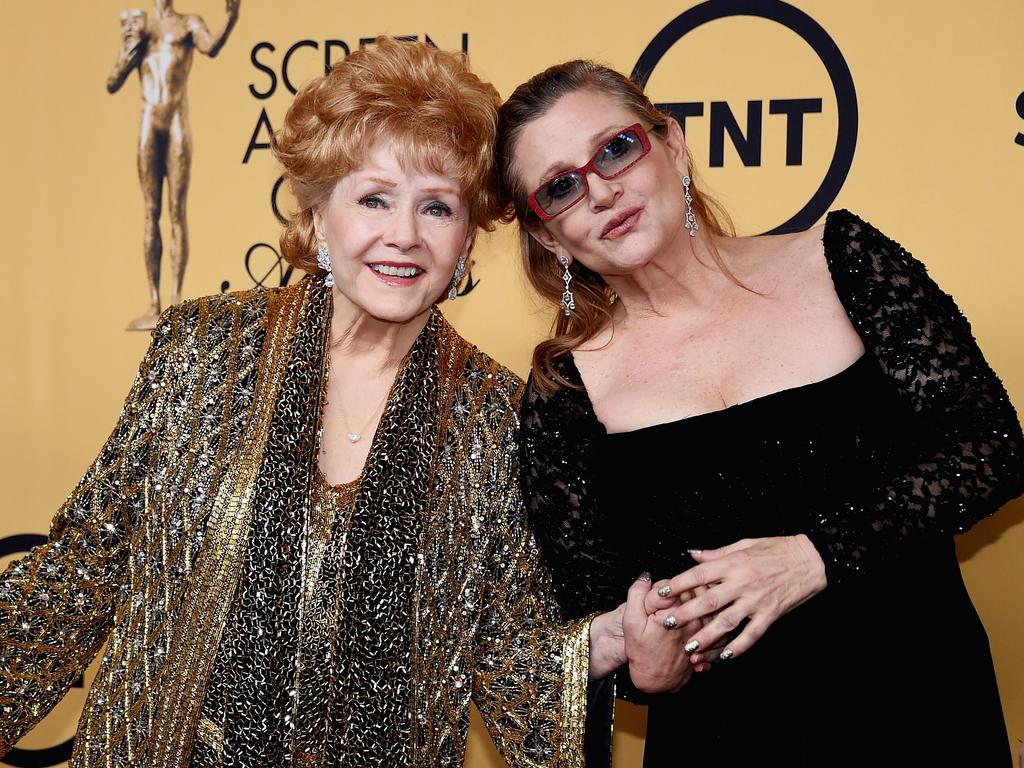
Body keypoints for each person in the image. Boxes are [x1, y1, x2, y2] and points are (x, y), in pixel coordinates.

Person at [0, 39, 647, 767]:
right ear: (317, 218)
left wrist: (606, 644)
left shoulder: (493, 418)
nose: (403, 235)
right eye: (373, 198)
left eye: (437, 207)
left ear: (467, 241)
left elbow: (507, 654)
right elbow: (81, 572)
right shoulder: (204, 350)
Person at [497, 59, 1023, 766]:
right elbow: (599, 618)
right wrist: (645, 668)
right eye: (560, 187)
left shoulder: (842, 261)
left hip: (923, 713)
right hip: (725, 742)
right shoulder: (564, 395)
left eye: (616, 148)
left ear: (675, 147)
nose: (600, 190)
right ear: (550, 237)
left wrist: (815, 556)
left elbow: (991, 447)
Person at [106, 0, 241, 331]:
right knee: (151, 212)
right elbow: (113, 81)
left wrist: (231, 17)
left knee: (177, 212)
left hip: (177, 121)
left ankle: (176, 299)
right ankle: (154, 300)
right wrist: (126, 56)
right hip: (149, 122)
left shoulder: (189, 24)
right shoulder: (140, 27)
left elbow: (211, 48)